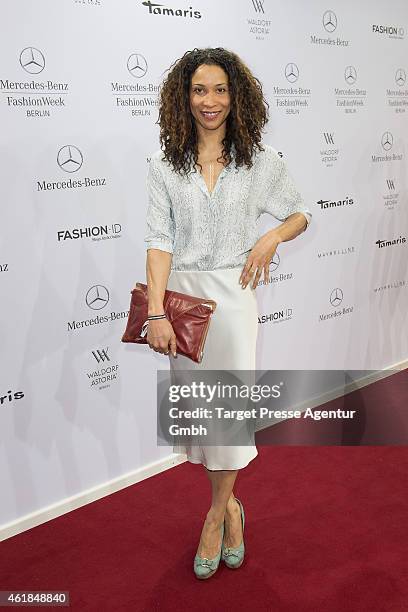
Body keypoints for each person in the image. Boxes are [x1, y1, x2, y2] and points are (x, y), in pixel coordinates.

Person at [144, 47, 312, 579]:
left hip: (234, 299)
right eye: (199, 90)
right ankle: (233, 507)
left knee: (229, 421)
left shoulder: (259, 161)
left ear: (235, 96)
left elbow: (299, 213)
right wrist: (155, 313)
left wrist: (270, 237)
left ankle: (216, 517)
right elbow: (157, 242)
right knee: (205, 421)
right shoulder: (163, 165)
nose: (209, 101)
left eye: (219, 89)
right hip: (183, 303)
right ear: (183, 97)